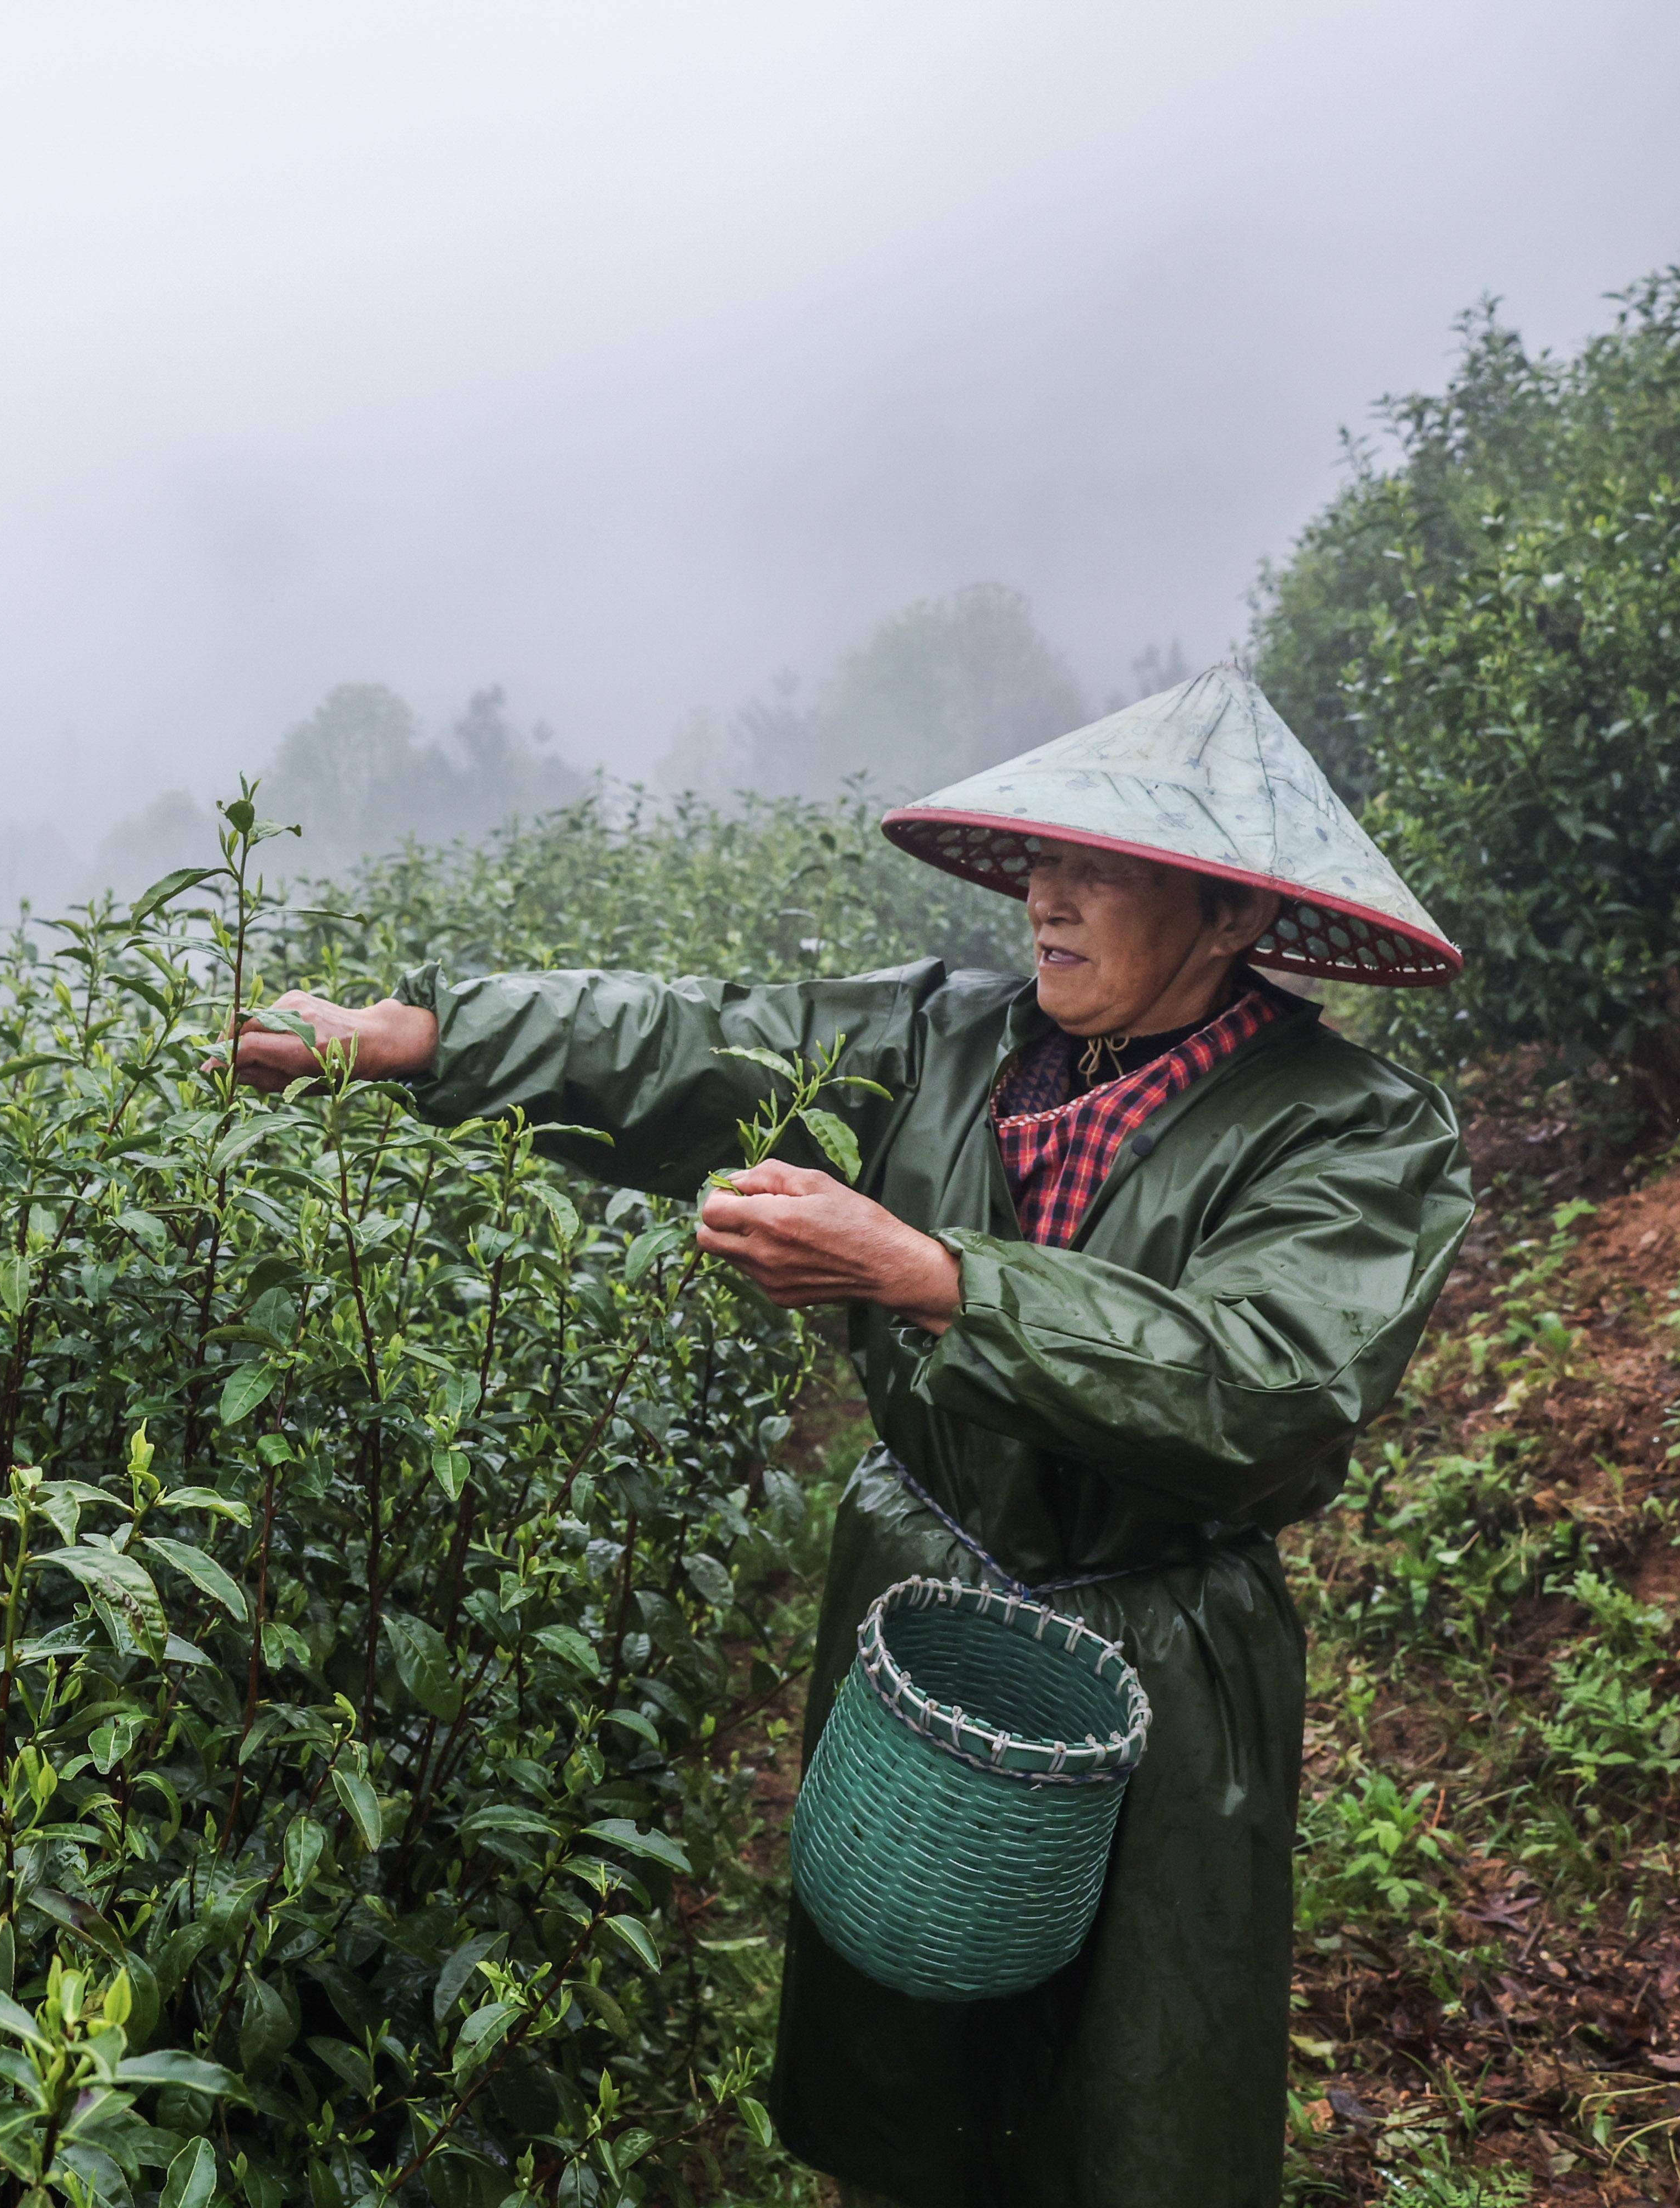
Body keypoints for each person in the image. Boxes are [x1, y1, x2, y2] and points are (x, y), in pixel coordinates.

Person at [233, 668, 1472, 2207]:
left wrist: (935, 1278)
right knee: (906, 2023)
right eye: (1043, 857)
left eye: (1103, 866)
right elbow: (700, 1045)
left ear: (1228, 917)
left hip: (1156, 1638)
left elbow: (1274, 1390)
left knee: (1134, 2065)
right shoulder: (948, 1040)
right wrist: (426, 1037)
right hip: (926, 1585)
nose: (1048, 896)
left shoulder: (1347, 1127)